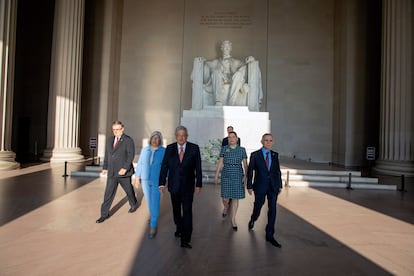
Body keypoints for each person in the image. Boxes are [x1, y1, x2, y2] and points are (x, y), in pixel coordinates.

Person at [159, 126, 202, 249]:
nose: (181, 137)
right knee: (176, 210)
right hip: (174, 185)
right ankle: (179, 226)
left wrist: (198, 183)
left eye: (183, 135)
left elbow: (198, 167)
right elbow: (165, 166)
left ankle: (185, 239)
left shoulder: (194, 148)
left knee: (187, 211)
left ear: (187, 136)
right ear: (175, 136)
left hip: (188, 187)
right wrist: (161, 182)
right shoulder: (170, 148)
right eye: (179, 135)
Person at [191, 40, 263, 111]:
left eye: (228, 47)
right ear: (222, 49)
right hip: (220, 81)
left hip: (234, 81)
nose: (226, 49)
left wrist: (251, 59)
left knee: (238, 74)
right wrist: (202, 61)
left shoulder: (235, 61)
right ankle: (218, 101)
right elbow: (207, 64)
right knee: (216, 72)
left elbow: (245, 64)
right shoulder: (217, 62)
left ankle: (231, 103)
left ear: (230, 49)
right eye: (225, 47)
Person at [96, 121, 138, 223]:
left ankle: (133, 203)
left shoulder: (128, 140)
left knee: (129, 191)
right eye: (114, 129)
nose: (115, 131)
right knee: (108, 194)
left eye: (117, 129)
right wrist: (105, 167)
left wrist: (125, 168)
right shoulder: (110, 140)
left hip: (124, 173)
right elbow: (108, 155)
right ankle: (104, 214)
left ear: (122, 129)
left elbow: (130, 155)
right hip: (112, 172)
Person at [247, 133, 283, 247]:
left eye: (270, 140)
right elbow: (250, 171)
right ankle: (253, 218)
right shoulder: (255, 155)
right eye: (266, 140)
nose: (268, 142)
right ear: (262, 142)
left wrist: (280, 185)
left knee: (272, 209)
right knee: (258, 205)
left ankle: (270, 235)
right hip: (260, 186)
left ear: (273, 142)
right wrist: (249, 185)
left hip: (273, 186)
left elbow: (277, 171)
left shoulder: (275, 155)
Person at [134, 131, 166, 238]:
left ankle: (153, 225)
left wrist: (166, 179)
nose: (155, 140)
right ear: (150, 139)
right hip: (145, 179)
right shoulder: (145, 149)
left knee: (155, 201)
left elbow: (166, 167)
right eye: (153, 138)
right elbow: (140, 164)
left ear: (160, 140)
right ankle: (153, 217)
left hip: (157, 180)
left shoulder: (163, 151)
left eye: (157, 138)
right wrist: (137, 177)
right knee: (149, 200)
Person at [214, 131, 248, 231]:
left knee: (235, 198)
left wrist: (246, 175)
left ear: (237, 138)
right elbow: (220, 162)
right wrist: (216, 175)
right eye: (229, 137)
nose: (231, 139)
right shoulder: (225, 149)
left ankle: (233, 219)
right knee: (225, 198)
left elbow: (246, 164)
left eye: (233, 137)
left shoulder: (242, 150)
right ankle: (225, 206)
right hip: (226, 175)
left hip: (238, 175)